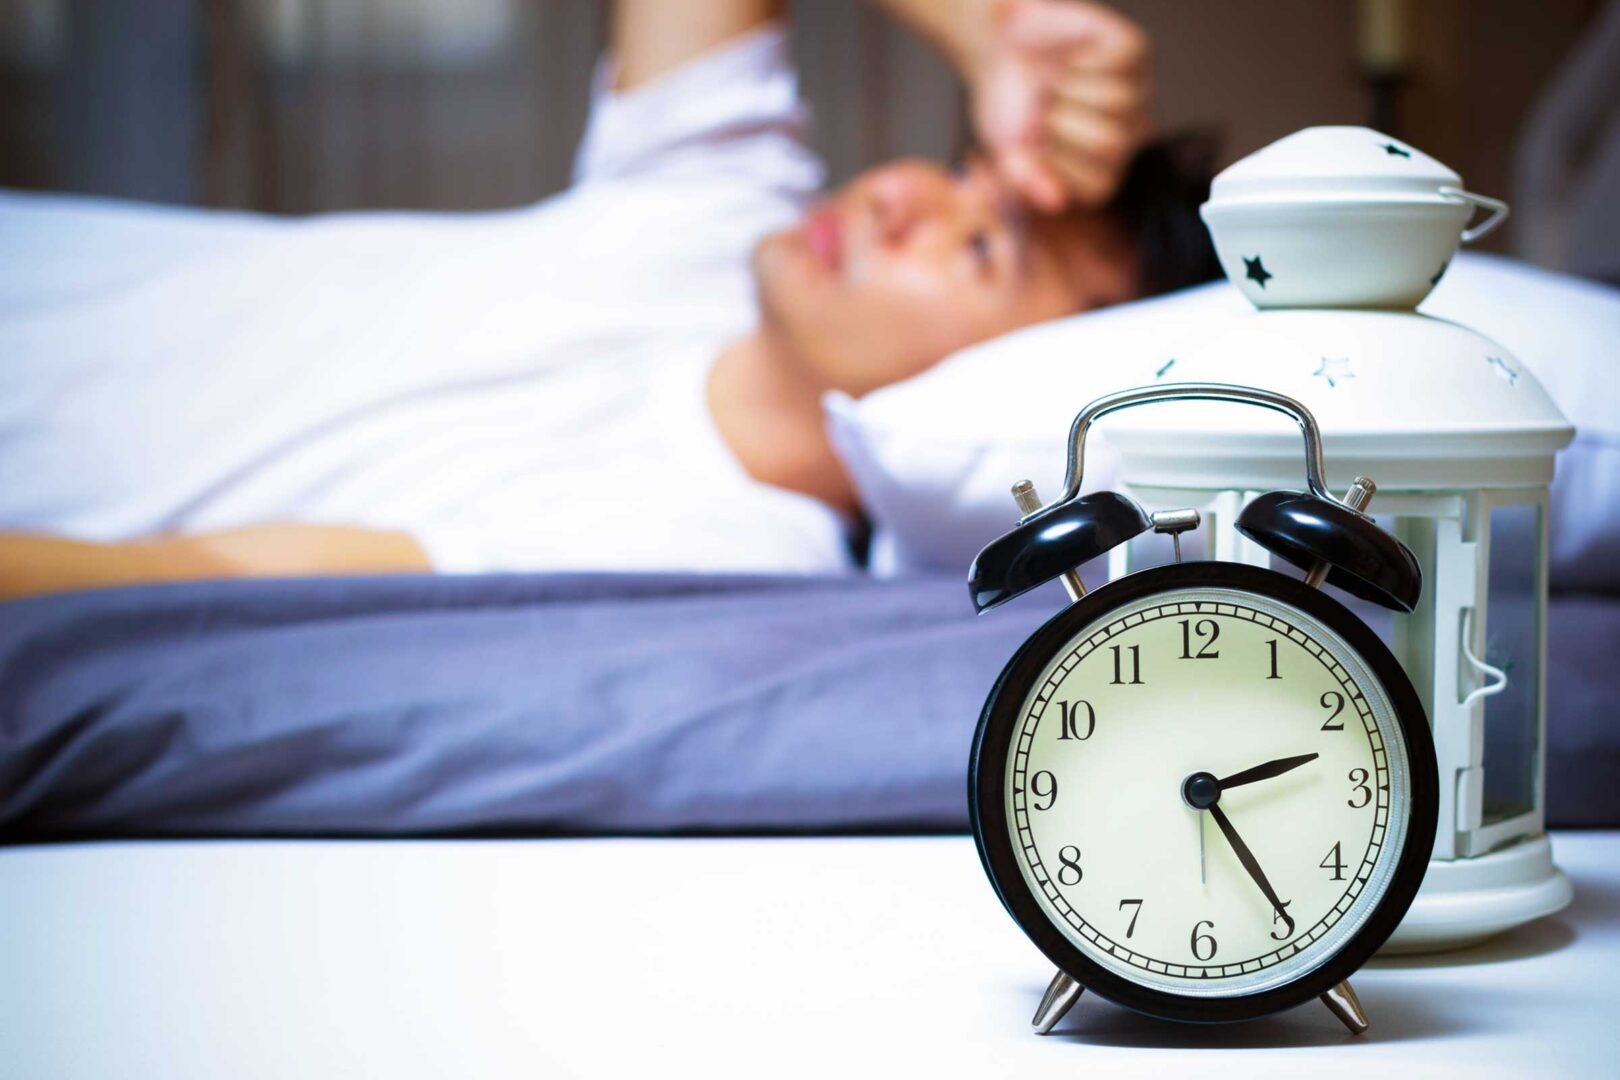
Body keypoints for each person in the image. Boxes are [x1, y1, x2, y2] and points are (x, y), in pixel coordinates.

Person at [0, 0, 1218, 600]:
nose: (904, 192)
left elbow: (214, 577)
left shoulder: (715, 556)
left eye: (980, 250)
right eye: (959, 174)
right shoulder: (714, 205)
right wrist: (991, 32)